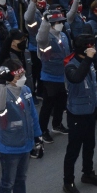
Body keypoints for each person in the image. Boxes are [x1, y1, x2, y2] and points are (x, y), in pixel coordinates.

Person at [0, 59, 43, 193]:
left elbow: (33, 115)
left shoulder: (26, 90)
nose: (22, 77)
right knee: (7, 183)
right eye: (18, 75)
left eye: (23, 74)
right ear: (8, 77)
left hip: (26, 144)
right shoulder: (0, 93)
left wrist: (38, 136)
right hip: (10, 148)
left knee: (21, 179)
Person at [63, 35, 97, 193]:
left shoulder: (90, 62)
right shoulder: (71, 65)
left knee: (90, 145)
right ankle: (68, 182)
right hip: (77, 114)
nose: (94, 49)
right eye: (92, 46)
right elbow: (76, 78)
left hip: (89, 111)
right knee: (73, 150)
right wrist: (88, 59)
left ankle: (88, 173)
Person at [37, 9, 72, 138]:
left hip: (62, 76)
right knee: (48, 104)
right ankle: (42, 130)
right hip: (50, 76)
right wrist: (45, 21)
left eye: (62, 22)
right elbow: (40, 37)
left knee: (61, 102)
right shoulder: (46, 38)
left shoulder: (62, 36)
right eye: (58, 22)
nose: (61, 24)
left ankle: (57, 124)